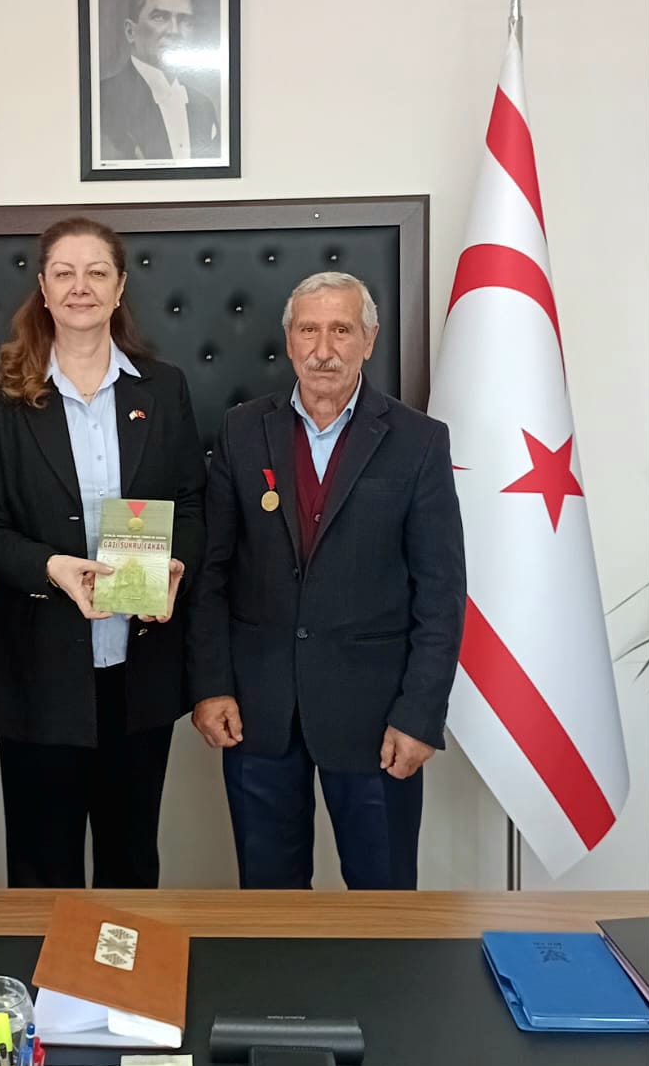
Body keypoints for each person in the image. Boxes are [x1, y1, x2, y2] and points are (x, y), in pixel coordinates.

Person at [188, 271, 465, 890]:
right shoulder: (241, 431)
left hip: (377, 720)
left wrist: (421, 714)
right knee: (269, 902)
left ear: (369, 339)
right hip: (257, 713)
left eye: (341, 330)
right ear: (288, 340)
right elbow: (213, 574)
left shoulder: (419, 441)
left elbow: (441, 593)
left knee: (383, 903)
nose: (323, 349)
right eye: (308, 330)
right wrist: (210, 686)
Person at [0, 216, 206, 887]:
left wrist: (177, 564)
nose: (81, 286)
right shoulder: (4, 397)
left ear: (120, 286)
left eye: (97, 272)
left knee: (132, 864)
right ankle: (52, 966)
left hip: (139, 669)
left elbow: (192, 503)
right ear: (43, 288)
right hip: (38, 672)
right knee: (42, 869)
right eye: (64, 273)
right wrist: (50, 568)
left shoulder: (163, 388)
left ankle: (123, 966)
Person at [100, 0, 220, 161]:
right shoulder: (103, 99)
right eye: (160, 17)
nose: (175, 31)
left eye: (185, 21)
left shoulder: (203, 105)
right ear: (130, 31)